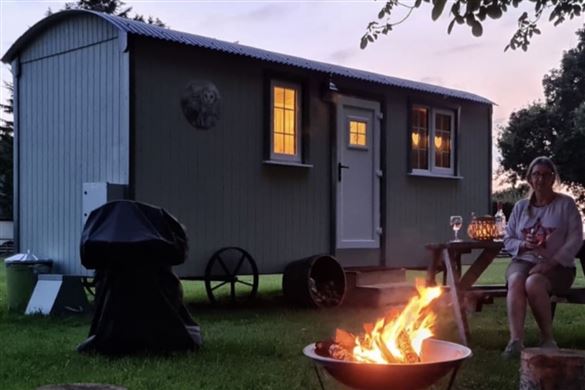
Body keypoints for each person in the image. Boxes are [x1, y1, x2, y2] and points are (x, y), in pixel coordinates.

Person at [502, 156, 583, 359]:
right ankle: (515, 341)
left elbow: (576, 238)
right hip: (524, 260)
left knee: (534, 282)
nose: (541, 179)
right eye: (536, 174)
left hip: (559, 266)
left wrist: (551, 263)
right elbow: (508, 237)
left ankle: (547, 339)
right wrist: (522, 244)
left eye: (546, 175)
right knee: (516, 280)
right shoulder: (521, 207)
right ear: (530, 179)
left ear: (553, 178)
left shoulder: (566, 204)